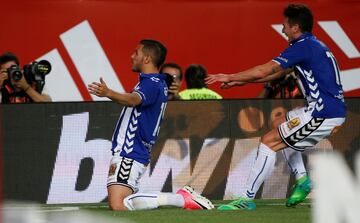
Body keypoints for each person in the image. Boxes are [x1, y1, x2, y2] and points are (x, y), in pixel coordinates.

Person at [206, 4, 346, 210]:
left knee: (268, 142)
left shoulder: (303, 46)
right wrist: (243, 82)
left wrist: (230, 76)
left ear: (296, 27)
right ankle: (302, 180)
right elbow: (279, 72)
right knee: (280, 122)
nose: (283, 30)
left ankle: (246, 198)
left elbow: (267, 69)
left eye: (285, 26)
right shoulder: (311, 45)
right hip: (322, 109)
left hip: (323, 113)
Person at [87, 39, 213, 211]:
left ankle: (181, 198)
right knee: (125, 203)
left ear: (146, 59)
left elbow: (133, 100)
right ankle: (182, 198)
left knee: (118, 204)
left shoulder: (151, 83)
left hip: (130, 151)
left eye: (136, 52)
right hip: (136, 151)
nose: (132, 56)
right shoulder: (157, 83)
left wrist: (108, 92)